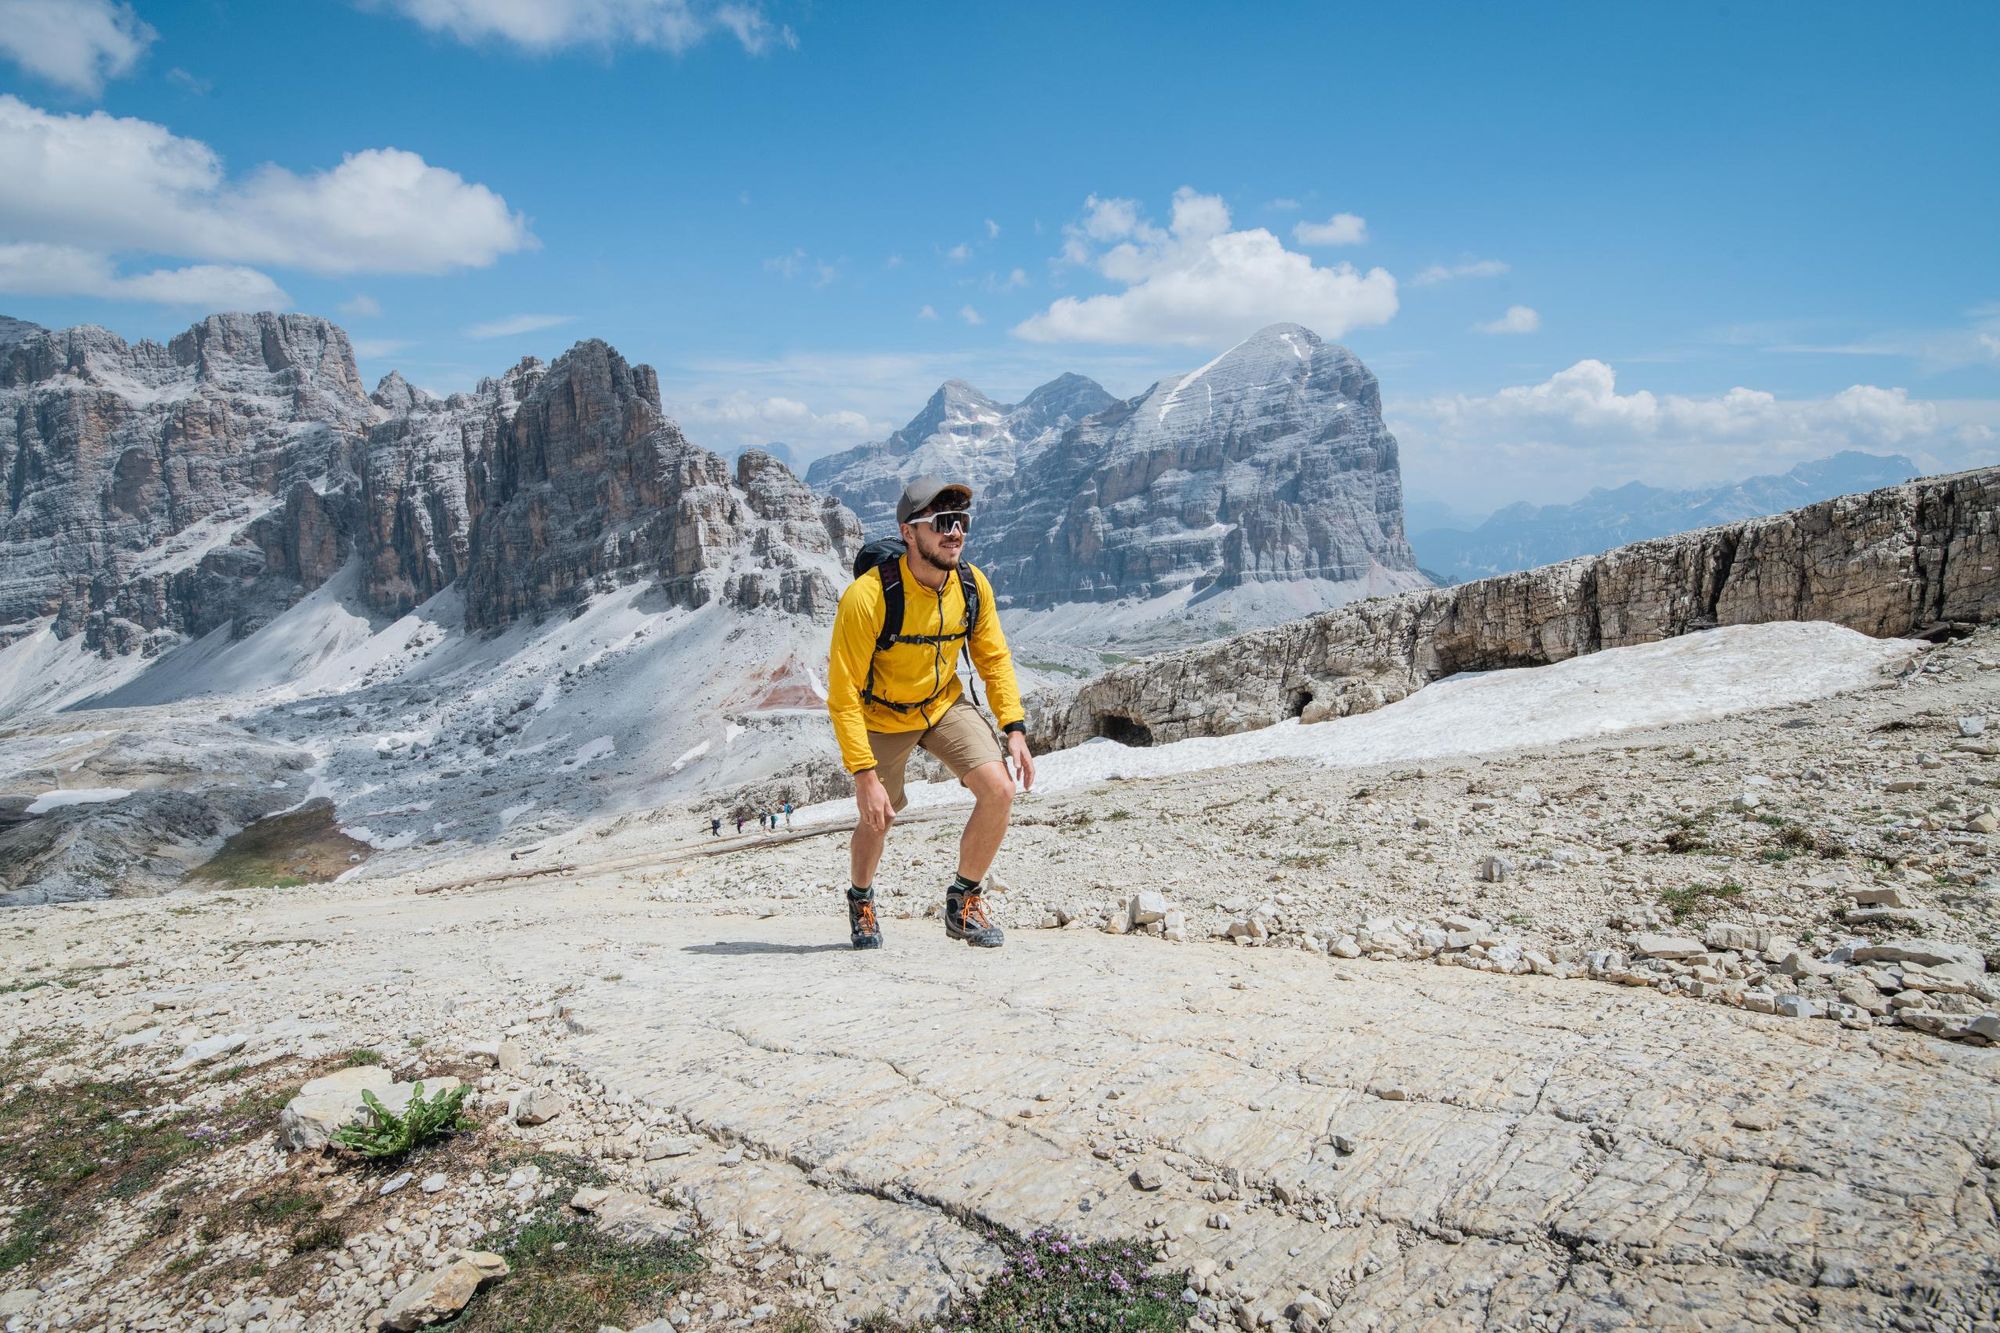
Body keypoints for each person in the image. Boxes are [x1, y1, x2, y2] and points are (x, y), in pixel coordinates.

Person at [826, 476, 1036, 950]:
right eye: (942, 522)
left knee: (1000, 790)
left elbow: (994, 659)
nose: (956, 533)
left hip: (942, 704)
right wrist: (864, 775)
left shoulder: (971, 584)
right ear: (908, 532)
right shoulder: (866, 598)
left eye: (962, 522)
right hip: (880, 716)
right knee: (878, 817)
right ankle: (861, 899)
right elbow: (842, 694)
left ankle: (963, 903)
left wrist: (1014, 728)